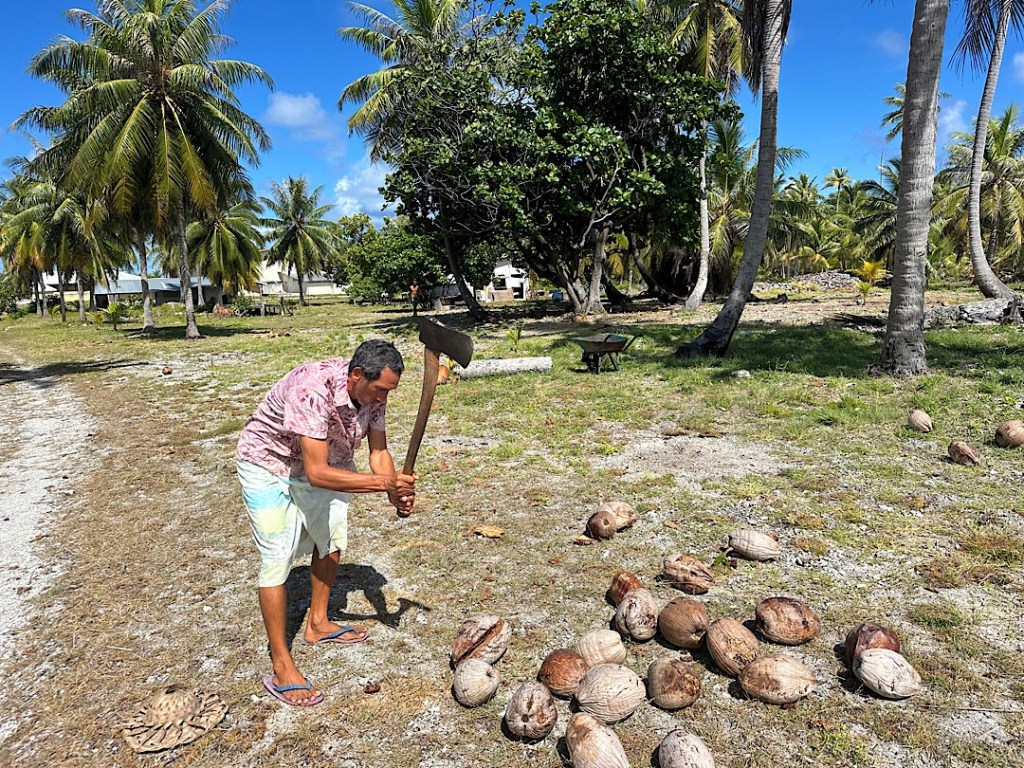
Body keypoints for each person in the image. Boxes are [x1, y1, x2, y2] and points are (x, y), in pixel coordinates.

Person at [235, 339, 416, 706]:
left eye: (389, 391)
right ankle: (281, 664)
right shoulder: (311, 389)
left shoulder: (374, 393)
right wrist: (384, 484)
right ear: (356, 375)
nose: (383, 399)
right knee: (277, 557)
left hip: (328, 463)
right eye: (380, 390)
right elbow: (317, 473)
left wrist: (394, 490)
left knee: (330, 537)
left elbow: (379, 451)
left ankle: (317, 623)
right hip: (269, 465)